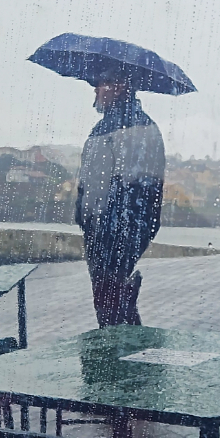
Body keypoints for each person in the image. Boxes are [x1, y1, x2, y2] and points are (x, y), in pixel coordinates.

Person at [76, 72, 165, 327]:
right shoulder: (105, 128)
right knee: (109, 303)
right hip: (100, 227)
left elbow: (139, 187)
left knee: (111, 305)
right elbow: (91, 178)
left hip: (117, 231)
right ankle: (125, 355)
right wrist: (85, 215)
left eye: (100, 84)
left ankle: (122, 360)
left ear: (120, 86)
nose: (96, 92)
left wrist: (118, 233)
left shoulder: (137, 129)